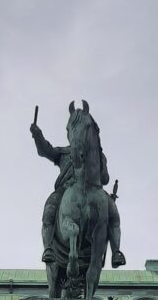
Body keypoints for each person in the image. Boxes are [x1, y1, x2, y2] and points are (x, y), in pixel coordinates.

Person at [30, 105, 125, 268]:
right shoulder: (64, 153)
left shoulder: (99, 156)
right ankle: (48, 249)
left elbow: (105, 178)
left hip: (94, 190)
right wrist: (37, 135)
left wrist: (96, 164)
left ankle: (116, 251)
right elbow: (45, 151)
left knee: (114, 215)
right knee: (49, 211)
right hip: (65, 190)